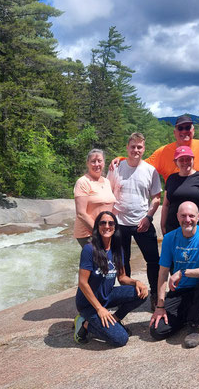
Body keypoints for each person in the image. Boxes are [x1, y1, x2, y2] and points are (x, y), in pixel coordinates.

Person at [149, 202, 199, 348]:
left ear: (198, 217)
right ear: (177, 217)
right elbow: (163, 273)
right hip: (180, 291)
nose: (187, 219)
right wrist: (160, 306)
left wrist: (183, 272)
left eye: (191, 216)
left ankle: (194, 324)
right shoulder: (169, 238)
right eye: (183, 215)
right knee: (157, 331)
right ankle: (190, 313)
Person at [74, 211, 148, 346]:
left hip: (107, 296)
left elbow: (122, 277)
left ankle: (115, 318)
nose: (107, 226)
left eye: (110, 223)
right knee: (121, 339)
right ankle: (84, 324)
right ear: (97, 226)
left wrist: (136, 282)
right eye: (103, 223)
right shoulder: (89, 249)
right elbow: (83, 283)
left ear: (115, 227)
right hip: (89, 304)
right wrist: (99, 309)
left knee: (141, 294)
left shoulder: (117, 249)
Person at [107, 132, 162, 311]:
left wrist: (148, 217)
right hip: (119, 222)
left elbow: (156, 198)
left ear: (144, 149)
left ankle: (154, 294)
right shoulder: (116, 168)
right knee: (123, 261)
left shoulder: (150, 170)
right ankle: (127, 295)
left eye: (139, 147)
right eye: (133, 147)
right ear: (127, 148)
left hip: (142, 222)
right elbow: (107, 192)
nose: (136, 150)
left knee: (153, 260)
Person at [161, 145, 199, 235]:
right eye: (181, 160)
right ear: (176, 162)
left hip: (196, 228)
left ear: (193, 160)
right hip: (173, 228)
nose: (185, 162)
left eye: (188, 159)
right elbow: (165, 205)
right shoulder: (171, 179)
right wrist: (163, 225)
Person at [73, 149, 116, 247]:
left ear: (104, 163)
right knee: (96, 261)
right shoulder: (83, 182)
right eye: (93, 161)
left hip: (105, 231)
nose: (97, 164)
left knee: (106, 261)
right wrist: (98, 232)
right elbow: (81, 213)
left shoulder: (107, 182)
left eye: (99, 161)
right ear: (88, 163)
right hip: (89, 233)